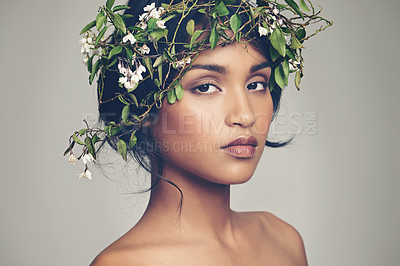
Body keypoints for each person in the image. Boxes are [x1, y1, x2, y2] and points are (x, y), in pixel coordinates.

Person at [66, 0, 331, 264]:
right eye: (205, 87)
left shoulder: (282, 241)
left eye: (255, 85)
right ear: (143, 107)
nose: (246, 115)